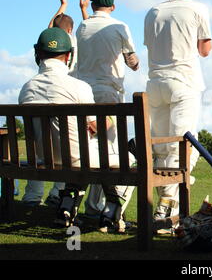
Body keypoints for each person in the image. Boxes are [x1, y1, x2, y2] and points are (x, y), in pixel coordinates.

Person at [19, 28, 135, 232]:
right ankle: (111, 213)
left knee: (84, 159)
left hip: (42, 159)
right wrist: (110, 119)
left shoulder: (26, 88)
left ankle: (66, 206)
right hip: (75, 158)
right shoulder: (78, 87)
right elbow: (94, 126)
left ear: (38, 54)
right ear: (69, 55)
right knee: (130, 159)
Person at [144, 0, 212, 226]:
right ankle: (167, 205)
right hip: (183, 82)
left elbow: (151, 46)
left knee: (161, 146)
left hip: (155, 84)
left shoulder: (153, 11)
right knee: (183, 146)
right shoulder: (198, 9)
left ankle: (163, 206)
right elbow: (204, 50)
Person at [76, 0, 140, 218]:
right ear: (112, 7)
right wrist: (134, 63)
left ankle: (91, 208)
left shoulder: (82, 27)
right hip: (109, 96)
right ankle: (105, 208)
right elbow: (132, 60)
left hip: (82, 95)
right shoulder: (120, 27)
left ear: (92, 5)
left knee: (90, 151)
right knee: (111, 152)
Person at [22, 0, 80, 208]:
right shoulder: (70, 44)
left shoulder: (26, 87)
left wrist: (62, 7)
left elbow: (48, 31)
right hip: (66, 94)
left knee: (39, 147)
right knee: (68, 145)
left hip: (40, 152)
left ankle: (32, 197)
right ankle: (58, 193)